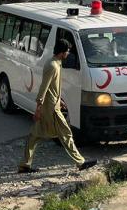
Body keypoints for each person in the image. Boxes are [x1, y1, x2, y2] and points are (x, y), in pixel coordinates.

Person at [19, 38, 97, 173]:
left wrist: (59, 99)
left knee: (34, 136)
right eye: (67, 51)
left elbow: (53, 86)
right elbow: (44, 87)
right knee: (66, 133)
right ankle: (80, 162)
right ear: (62, 52)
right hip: (51, 108)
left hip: (51, 105)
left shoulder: (55, 63)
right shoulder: (52, 66)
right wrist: (38, 108)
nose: (68, 54)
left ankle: (25, 165)